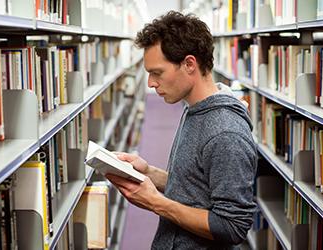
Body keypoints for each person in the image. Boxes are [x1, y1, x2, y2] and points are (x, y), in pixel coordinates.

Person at [106, 11, 257, 249]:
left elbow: (232, 225)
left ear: (189, 64)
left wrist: (156, 203)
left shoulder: (226, 134)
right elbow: (197, 187)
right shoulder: (195, 108)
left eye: (157, 72)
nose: (151, 83)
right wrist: (149, 172)